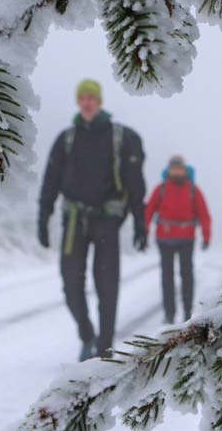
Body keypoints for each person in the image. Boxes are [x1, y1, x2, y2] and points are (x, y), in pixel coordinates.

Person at [38, 79, 148, 361]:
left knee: (106, 285)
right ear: (78, 102)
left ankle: (105, 347)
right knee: (71, 284)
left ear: (99, 101)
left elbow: (134, 183)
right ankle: (87, 334)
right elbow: (51, 180)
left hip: (106, 222)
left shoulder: (120, 137)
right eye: (82, 98)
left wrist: (140, 221)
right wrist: (43, 215)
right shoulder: (66, 139)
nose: (86, 102)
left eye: (91, 98)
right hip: (74, 221)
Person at [144, 155, 212, 323]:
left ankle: (187, 312)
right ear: (169, 170)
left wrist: (206, 236)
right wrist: (143, 232)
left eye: (179, 168)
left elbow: (204, 214)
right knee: (167, 277)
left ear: (184, 170)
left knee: (186, 275)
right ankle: (169, 314)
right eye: (173, 168)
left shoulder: (193, 190)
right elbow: (149, 211)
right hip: (164, 239)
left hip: (186, 239)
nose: (176, 172)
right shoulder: (161, 189)